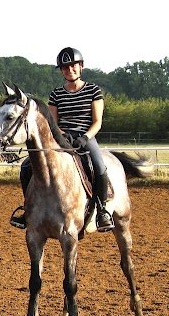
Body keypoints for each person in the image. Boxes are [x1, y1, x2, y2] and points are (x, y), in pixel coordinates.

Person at [10, 46, 114, 232]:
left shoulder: (93, 90)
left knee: (98, 165)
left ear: (81, 66)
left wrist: (85, 138)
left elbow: (97, 122)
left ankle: (102, 209)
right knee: (27, 166)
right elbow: (53, 123)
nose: (69, 70)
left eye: (73, 66)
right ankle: (28, 209)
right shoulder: (56, 94)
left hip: (85, 137)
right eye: (65, 67)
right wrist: (61, 136)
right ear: (61, 71)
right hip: (61, 137)